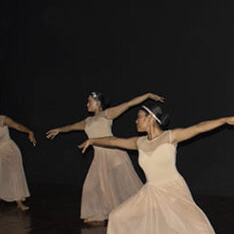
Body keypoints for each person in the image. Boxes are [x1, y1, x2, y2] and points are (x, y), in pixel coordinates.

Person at [78, 100, 234, 234]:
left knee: (198, 224)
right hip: (151, 192)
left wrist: (224, 120)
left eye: (139, 117)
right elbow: (113, 141)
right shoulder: (139, 142)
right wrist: (93, 140)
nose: (136, 121)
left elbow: (198, 128)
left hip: (173, 189)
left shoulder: (170, 137)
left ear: (150, 118)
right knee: (118, 216)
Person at [46, 92, 157, 224]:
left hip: (113, 154)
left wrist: (147, 95)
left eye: (89, 102)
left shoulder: (106, 114)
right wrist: (59, 129)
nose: (87, 104)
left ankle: (146, 209)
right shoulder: (87, 121)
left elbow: (129, 104)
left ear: (97, 103)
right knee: (91, 186)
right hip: (99, 157)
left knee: (124, 185)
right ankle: (100, 214)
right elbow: (71, 127)